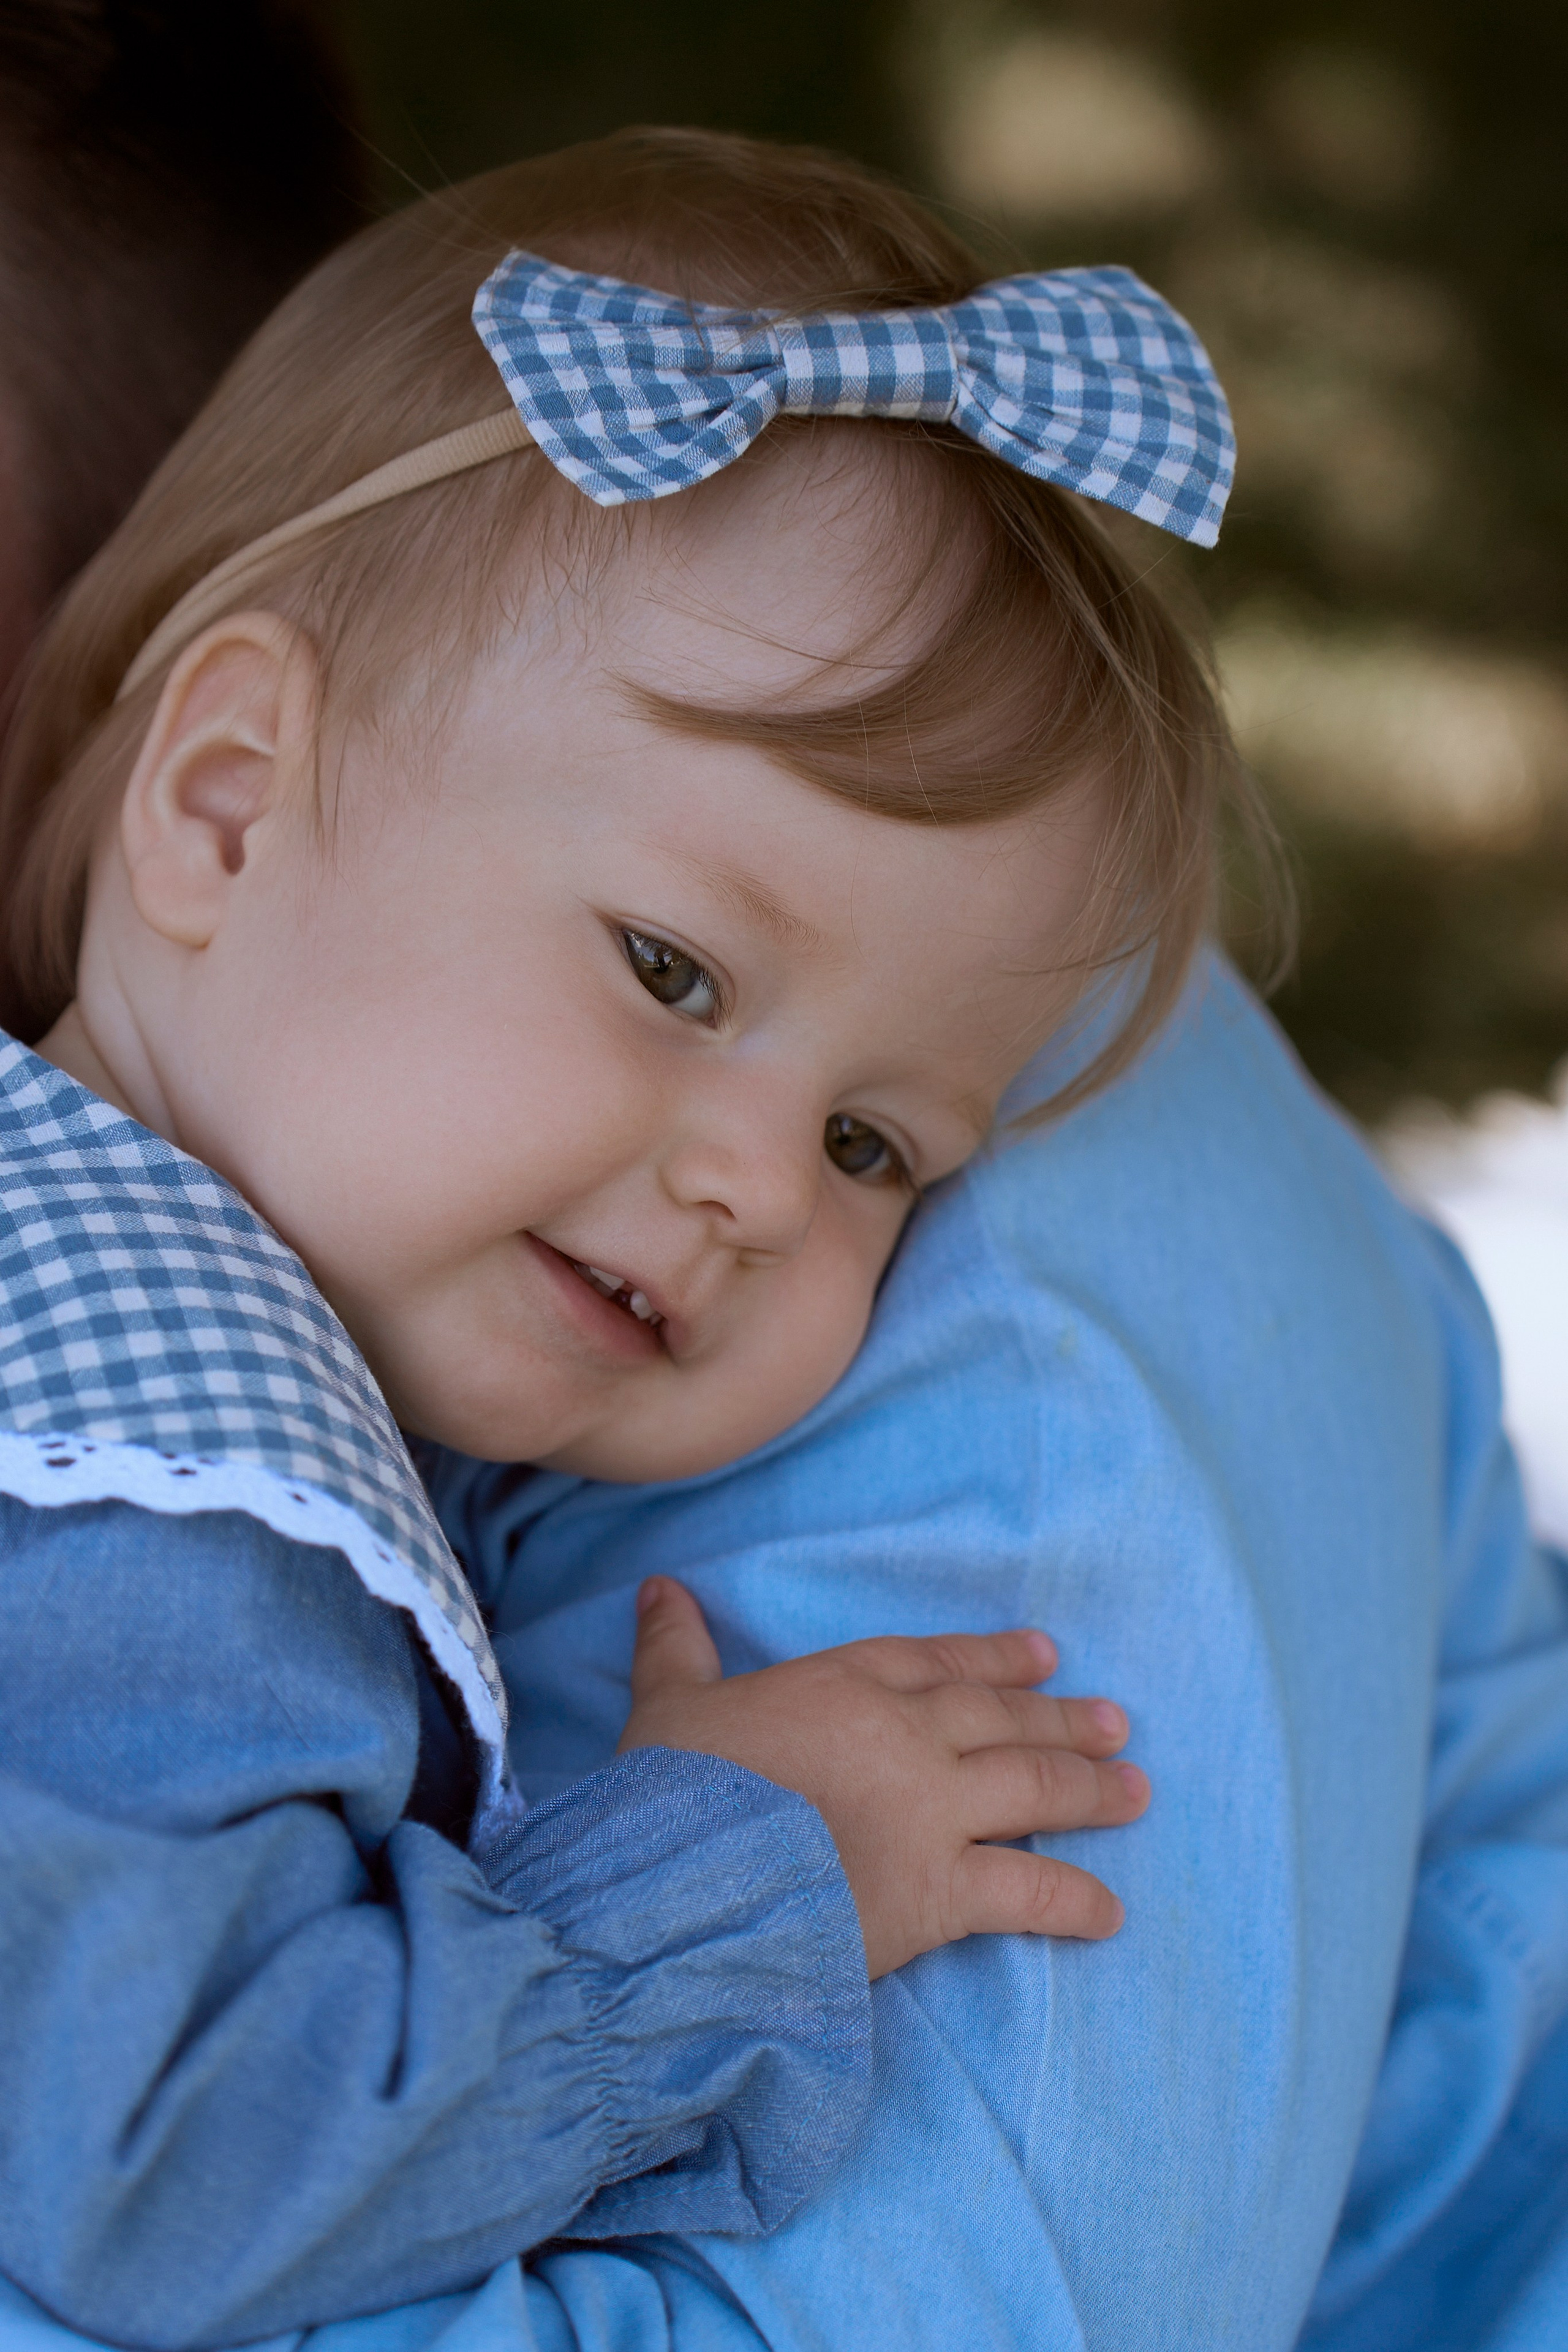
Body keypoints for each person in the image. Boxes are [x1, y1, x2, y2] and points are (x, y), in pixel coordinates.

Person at [0, 127, 1251, 2345]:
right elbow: (163, 2165)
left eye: (879, 1143)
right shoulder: (159, 1498)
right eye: (674, 971)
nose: (767, 1188)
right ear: (222, 807)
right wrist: (732, 1879)